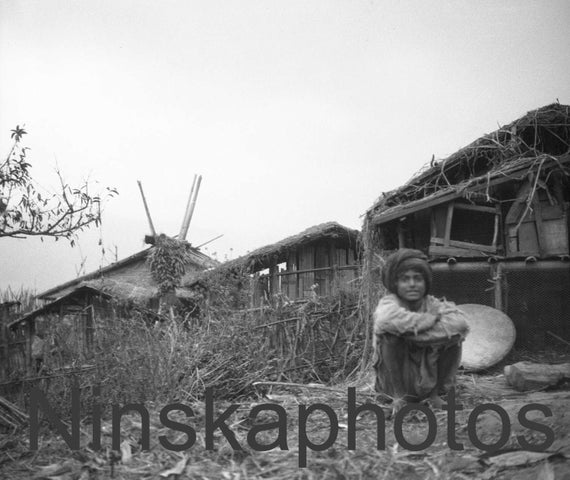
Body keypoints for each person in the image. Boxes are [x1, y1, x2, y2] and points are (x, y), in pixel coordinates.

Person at [372, 249, 469, 414]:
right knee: (390, 336)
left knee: (454, 337)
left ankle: (433, 396)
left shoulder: (433, 304)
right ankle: (400, 398)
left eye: (418, 278)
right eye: (405, 279)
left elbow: (460, 325)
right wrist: (429, 320)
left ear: (426, 282)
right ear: (395, 283)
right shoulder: (389, 303)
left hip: (429, 376)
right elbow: (386, 321)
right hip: (396, 378)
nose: (412, 284)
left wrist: (409, 334)